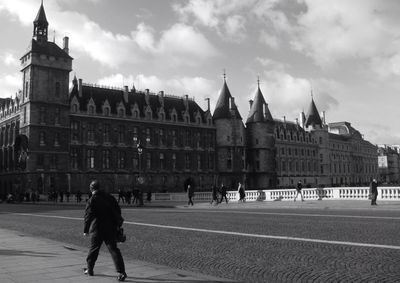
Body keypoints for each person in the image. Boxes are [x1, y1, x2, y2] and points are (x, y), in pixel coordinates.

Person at [83, 180, 127, 281]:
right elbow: (118, 211)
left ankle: (90, 269)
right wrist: (117, 224)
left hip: (97, 228)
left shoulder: (92, 199)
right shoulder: (110, 197)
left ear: (91, 189)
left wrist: (85, 230)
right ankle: (121, 272)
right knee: (114, 250)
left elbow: (88, 216)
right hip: (110, 228)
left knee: (94, 249)